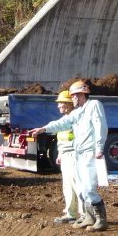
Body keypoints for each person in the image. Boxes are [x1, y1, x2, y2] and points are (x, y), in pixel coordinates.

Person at [29, 80, 109, 231]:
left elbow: (100, 126)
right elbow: (63, 123)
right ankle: (89, 217)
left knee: (88, 188)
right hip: (78, 154)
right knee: (81, 188)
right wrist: (44, 129)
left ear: (81, 94)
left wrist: (99, 147)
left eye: (73, 96)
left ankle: (101, 220)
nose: (72, 99)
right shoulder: (77, 113)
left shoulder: (94, 105)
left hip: (90, 153)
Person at [53, 90, 83, 224]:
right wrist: (60, 154)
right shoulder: (64, 120)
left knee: (78, 185)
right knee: (68, 186)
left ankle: (84, 215)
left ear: (69, 104)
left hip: (74, 155)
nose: (58, 106)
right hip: (66, 155)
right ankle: (70, 213)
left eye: (61, 103)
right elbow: (61, 139)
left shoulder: (75, 119)